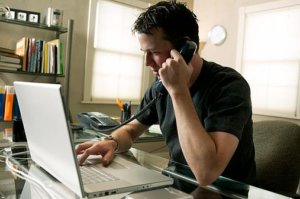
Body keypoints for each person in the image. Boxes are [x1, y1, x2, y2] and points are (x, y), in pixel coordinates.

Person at [76, 0, 256, 192]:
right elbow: (130, 130)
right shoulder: (159, 87)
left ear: (185, 49)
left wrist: (178, 90)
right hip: (175, 187)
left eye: (154, 52)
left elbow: (206, 173)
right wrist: (111, 142)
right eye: (144, 52)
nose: (147, 62)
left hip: (222, 193)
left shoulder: (229, 86)